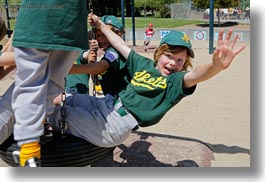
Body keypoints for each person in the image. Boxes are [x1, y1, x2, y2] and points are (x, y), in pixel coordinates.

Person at [46, 13, 246, 149]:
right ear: (159, 55)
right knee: (68, 99)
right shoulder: (143, 65)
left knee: (56, 114)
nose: (173, 63)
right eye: (169, 56)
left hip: (115, 125)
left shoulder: (174, 82)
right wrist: (99, 25)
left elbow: (196, 75)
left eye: (180, 61)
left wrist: (215, 67)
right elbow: (119, 43)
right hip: (106, 104)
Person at [11, 1, 89, 167]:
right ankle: (31, 144)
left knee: (43, 84)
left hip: (56, 20)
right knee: (43, 83)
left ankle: (32, 142)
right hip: (59, 18)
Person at [68, 15, 131, 96]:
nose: (100, 39)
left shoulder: (115, 52)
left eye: (104, 34)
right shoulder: (108, 51)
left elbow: (101, 67)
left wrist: (72, 69)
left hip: (124, 100)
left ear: (117, 35)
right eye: (98, 35)